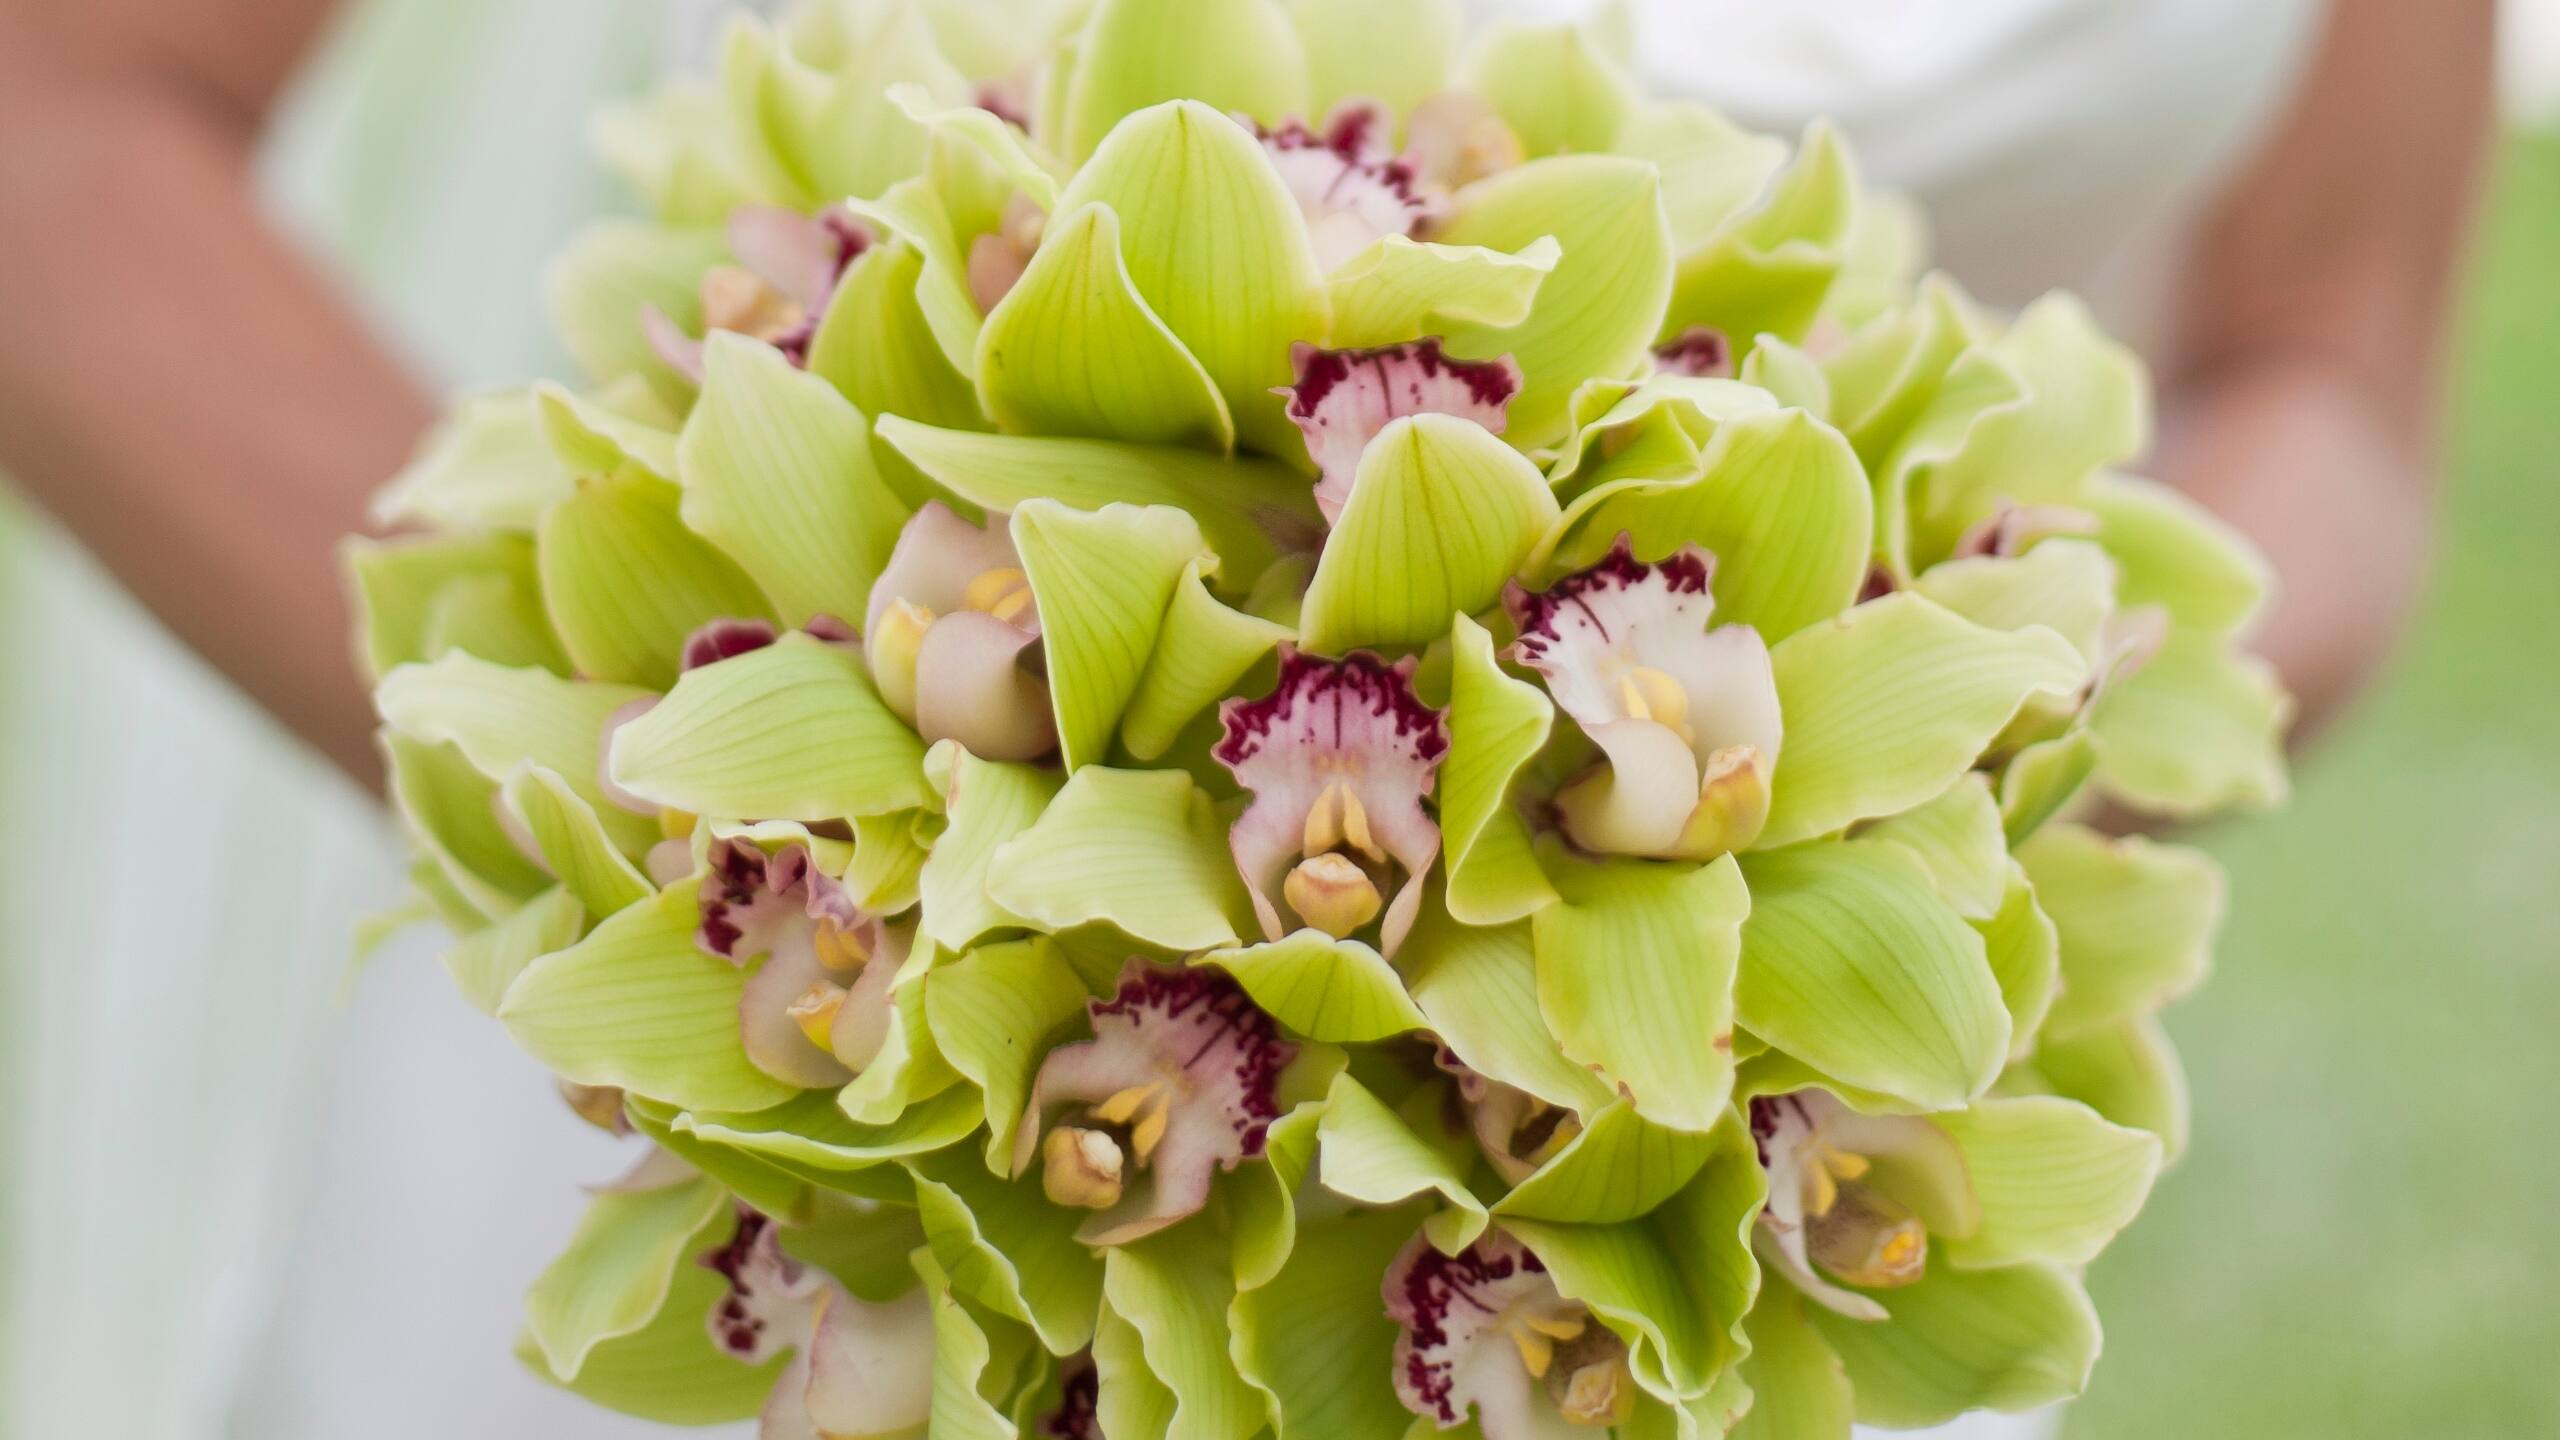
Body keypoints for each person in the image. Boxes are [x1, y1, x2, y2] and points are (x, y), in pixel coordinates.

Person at [0, 0, 2494, 1435]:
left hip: (1674, 1218)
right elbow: (57, 125)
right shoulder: (785, 949)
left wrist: (1968, 724)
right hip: (816, 1136)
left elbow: (2325, 375)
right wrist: (728, 838)